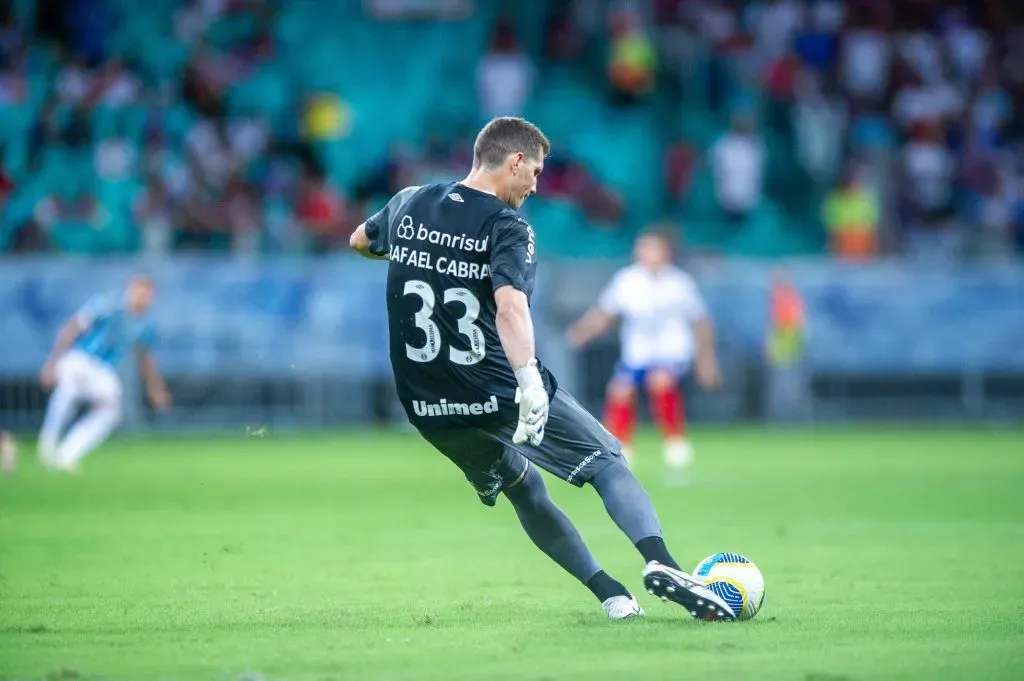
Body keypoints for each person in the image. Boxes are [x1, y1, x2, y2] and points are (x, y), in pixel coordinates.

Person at [349, 116, 735, 621]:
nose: (535, 185)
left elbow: (360, 240)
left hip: (426, 404)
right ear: (513, 161)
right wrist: (528, 379)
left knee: (523, 488)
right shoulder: (507, 227)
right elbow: (511, 309)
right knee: (607, 461)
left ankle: (613, 597)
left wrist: (427, 261)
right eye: (534, 171)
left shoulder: (410, 202)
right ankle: (663, 564)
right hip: (494, 388)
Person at [567, 229, 720, 469]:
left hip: (672, 351)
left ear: (665, 252)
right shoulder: (627, 280)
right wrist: (582, 332)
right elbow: (605, 313)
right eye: (642, 248)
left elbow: (701, 322)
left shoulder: (679, 283)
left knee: (660, 381)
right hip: (638, 353)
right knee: (620, 389)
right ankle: (620, 445)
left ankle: (675, 442)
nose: (645, 253)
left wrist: (706, 359)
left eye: (651, 248)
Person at [38, 274, 171, 472]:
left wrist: (155, 389)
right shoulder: (108, 305)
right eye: (139, 291)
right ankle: (47, 444)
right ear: (129, 289)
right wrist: (52, 362)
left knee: (112, 412)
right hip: (81, 358)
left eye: (147, 294)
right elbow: (72, 327)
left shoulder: (144, 325)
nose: (142, 297)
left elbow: (145, 360)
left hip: (103, 370)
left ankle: (67, 453)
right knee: (69, 390)